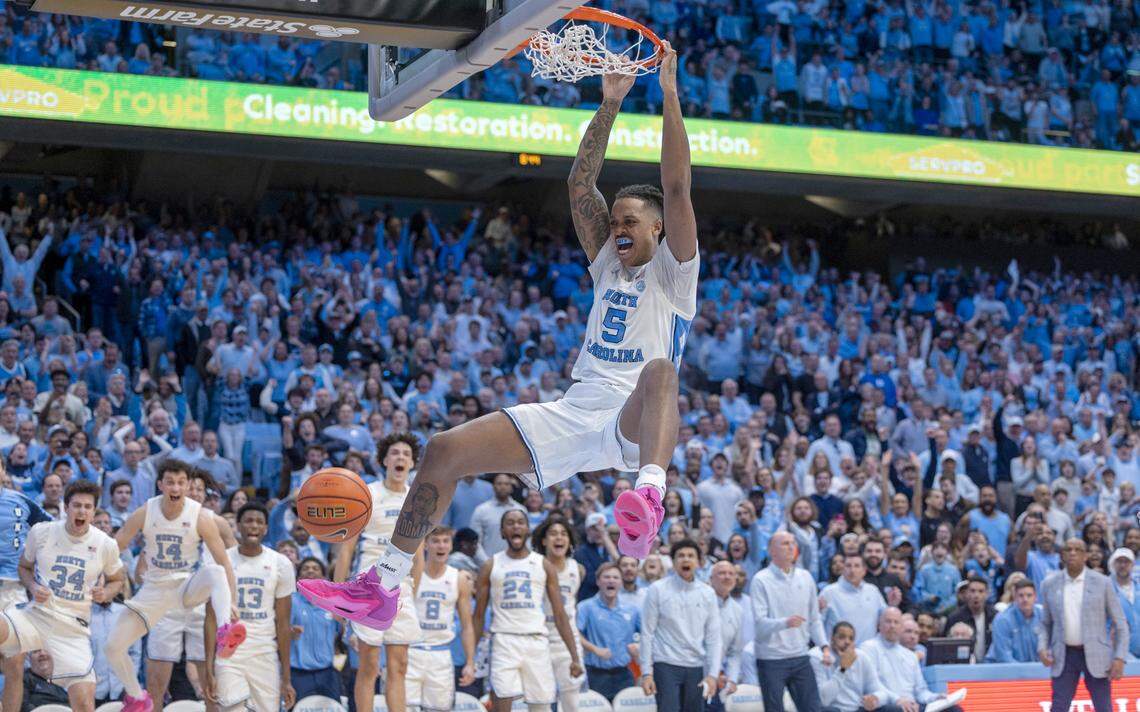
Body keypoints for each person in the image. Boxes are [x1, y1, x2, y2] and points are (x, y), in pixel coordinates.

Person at [299, 47, 701, 631]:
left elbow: (680, 186)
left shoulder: (675, 272)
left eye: (629, 221)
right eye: (613, 221)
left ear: (659, 230)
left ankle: (649, 499)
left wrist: (667, 96)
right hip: (576, 410)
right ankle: (381, 586)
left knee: (661, 370)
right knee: (442, 450)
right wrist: (609, 103)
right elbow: (579, 182)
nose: (616, 228)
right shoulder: (606, 265)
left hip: (636, 421)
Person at [105, 459, 246, 712]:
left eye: (182, 482)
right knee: (113, 648)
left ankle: (226, 629)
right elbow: (116, 546)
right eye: (170, 482)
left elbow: (225, 562)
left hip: (186, 588)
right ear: (160, 484)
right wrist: (99, 570)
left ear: (188, 485)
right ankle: (138, 697)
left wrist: (232, 601)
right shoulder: (145, 511)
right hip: (154, 592)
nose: (176, 487)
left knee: (214, 570)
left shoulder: (202, 516)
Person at [0, 481, 124, 712]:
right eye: (76, 505)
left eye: (88, 507)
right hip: (37, 615)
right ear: (66, 507)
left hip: (72, 629)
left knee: (85, 703)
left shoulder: (105, 544)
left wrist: (105, 592)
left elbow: (118, 579)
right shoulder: (42, 532)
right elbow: (24, 567)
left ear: (94, 511)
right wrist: (33, 586)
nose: (82, 511)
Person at [332, 432, 424, 712]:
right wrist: (339, 597)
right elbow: (346, 549)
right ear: (384, 460)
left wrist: (412, 590)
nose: (400, 458)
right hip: (369, 585)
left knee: (399, 667)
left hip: (401, 587)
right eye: (395, 453)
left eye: (406, 455)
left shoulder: (417, 498)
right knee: (369, 666)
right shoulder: (367, 494)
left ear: (412, 464)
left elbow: (419, 553)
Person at [145, 469, 238, 712]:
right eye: (191, 487)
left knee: (210, 681)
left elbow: (233, 565)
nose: (194, 492)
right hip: (169, 601)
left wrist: (233, 600)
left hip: (204, 605)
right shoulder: (164, 518)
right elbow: (144, 564)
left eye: (199, 488)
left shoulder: (217, 522)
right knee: (156, 682)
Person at [473, 509, 582, 711]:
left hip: (536, 640)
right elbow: (478, 616)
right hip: (503, 640)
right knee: (501, 701)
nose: (516, 526)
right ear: (502, 531)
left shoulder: (543, 565)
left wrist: (574, 657)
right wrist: (471, 657)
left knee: (541, 705)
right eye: (510, 523)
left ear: (528, 530)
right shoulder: (491, 565)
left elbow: (560, 614)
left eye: (521, 522)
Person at [203, 501, 296, 712]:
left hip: (264, 652)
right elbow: (210, 618)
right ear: (238, 525)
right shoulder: (221, 561)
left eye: (259, 522)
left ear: (266, 528)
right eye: (248, 521)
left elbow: (283, 625)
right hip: (228, 653)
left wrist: (286, 677)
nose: (253, 526)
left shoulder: (280, 564)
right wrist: (208, 669)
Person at [1037, 538, 1128, 712]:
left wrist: (1119, 657)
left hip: (1096, 653)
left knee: (1104, 707)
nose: (1072, 553)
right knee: (1059, 707)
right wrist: (1042, 647)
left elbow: (1121, 624)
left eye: (1077, 549)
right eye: (1068, 549)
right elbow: (1044, 623)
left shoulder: (1103, 582)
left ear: (1085, 555)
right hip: (1064, 654)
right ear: (1062, 555)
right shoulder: (1049, 584)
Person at [750, 530, 829, 712]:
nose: (791, 546)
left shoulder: (806, 577)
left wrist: (824, 646)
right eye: (785, 543)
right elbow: (760, 624)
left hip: (800, 655)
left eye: (793, 543)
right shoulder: (761, 580)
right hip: (771, 658)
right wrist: (785, 622)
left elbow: (814, 619)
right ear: (771, 550)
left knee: (813, 708)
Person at [640, 538, 721, 711]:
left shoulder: (708, 593)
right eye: (681, 556)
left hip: (696, 666)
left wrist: (713, 675)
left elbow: (714, 637)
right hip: (665, 664)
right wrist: (646, 672)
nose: (686, 559)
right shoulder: (657, 589)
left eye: (691, 556)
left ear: (698, 562)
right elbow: (647, 633)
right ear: (673, 561)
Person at [406, 526, 476, 712]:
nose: (441, 545)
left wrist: (470, 661)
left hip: (441, 655)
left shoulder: (459, 578)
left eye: (445, 541)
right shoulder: (411, 575)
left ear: (451, 546)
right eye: (436, 541)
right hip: (411, 652)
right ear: (426, 545)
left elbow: (467, 626)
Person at [0, 475, 52, 712]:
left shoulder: (20, 500)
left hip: (15, 590)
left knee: (16, 665)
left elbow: (51, 528)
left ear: (3, 472)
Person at [859, 607, 958, 711]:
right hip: (886, 704)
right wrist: (898, 700)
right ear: (879, 625)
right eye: (888, 621)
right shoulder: (867, 648)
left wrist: (936, 697)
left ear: (901, 627)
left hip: (911, 705)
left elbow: (920, 692)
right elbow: (872, 686)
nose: (892, 626)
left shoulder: (910, 656)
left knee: (953, 709)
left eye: (896, 622)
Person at [533, 517, 586, 712]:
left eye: (563, 534)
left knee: (571, 700)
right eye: (553, 534)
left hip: (568, 639)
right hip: (541, 638)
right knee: (540, 700)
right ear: (544, 540)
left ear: (570, 541)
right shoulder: (534, 566)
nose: (559, 538)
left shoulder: (578, 569)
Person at [577, 562, 640, 702]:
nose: (611, 580)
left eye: (615, 577)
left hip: (624, 674)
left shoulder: (632, 610)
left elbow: (646, 634)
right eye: (606, 577)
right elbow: (575, 633)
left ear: (621, 582)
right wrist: (594, 649)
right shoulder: (585, 607)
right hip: (595, 674)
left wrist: (638, 646)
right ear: (598, 581)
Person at [290, 558, 343, 702]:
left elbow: (341, 635)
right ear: (298, 577)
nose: (310, 570)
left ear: (324, 577)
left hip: (328, 673)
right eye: (305, 568)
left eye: (315, 568)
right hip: (298, 675)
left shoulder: (332, 604)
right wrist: (290, 632)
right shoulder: (290, 601)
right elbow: (279, 632)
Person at [809, 622, 892, 712]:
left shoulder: (861, 656)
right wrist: (842, 669)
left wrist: (875, 699)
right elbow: (823, 700)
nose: (847, 642)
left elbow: (882, 691)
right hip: (832, 709)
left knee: (894, 709)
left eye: (851, 639)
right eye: (842, 637)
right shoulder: (817, 656)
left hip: (857, 709)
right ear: (832, 638)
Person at [821, 554, 887, 644]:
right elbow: (817, 623)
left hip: (867, 653)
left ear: (864, 570)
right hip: (837, 653)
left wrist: (893, 605)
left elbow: (885, 618)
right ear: (843, 569)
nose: (852, 570)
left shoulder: (873, 590)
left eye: (857, 566)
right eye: (848, 566)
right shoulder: (829, 592)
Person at [710, 560, 746, 711]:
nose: (727, 577)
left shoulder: (738, 610)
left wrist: (731, 679)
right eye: (722, 573)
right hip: (693, 675)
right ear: (711, 579)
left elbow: (735, 652)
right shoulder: (699, 602)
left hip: (720, 682)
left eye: (731, 574)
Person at [985, 578, 1041, 663]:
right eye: (1021, 595)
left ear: (1035, 597)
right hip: (1002, 671)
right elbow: (1004, 657)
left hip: (1035, 671)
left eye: (1029, 595)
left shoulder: (1043, 616)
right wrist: (1028, 673)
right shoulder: (1003, 620)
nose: (1025, 599)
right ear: (1014, 597)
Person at [944, 575, 997, 663]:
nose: (976, 595)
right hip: (964, 667)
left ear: (987, 594)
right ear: (966, 593)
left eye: (981, 591)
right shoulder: (955, 618)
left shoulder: (995, 617)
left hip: (990, 666)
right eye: (972, 591)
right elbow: (945, 646)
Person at [1108, 547, 1140, 657]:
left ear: (1132, 564)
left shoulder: (1138, 587)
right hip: (1118, 652)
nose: (1123, 565)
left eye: (1126, 561)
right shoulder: (1106, 588)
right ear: (1113, 564)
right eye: (1119, 561)